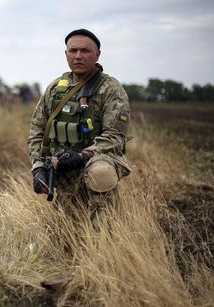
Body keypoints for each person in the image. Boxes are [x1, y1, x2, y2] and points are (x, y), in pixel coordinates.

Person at [27, 28, 131, 214]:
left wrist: (82, 156)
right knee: (68, 226)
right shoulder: (55, 89)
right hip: (63, 162)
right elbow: (37, 129)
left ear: (97, 55)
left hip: (98, 158)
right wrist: (38, 166)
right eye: (73, 51)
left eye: (85, 51)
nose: (78, 56)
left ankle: (104, 235)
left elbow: (114, 137)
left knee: (101, 173)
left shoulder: (110, 89)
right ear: (66, 54)